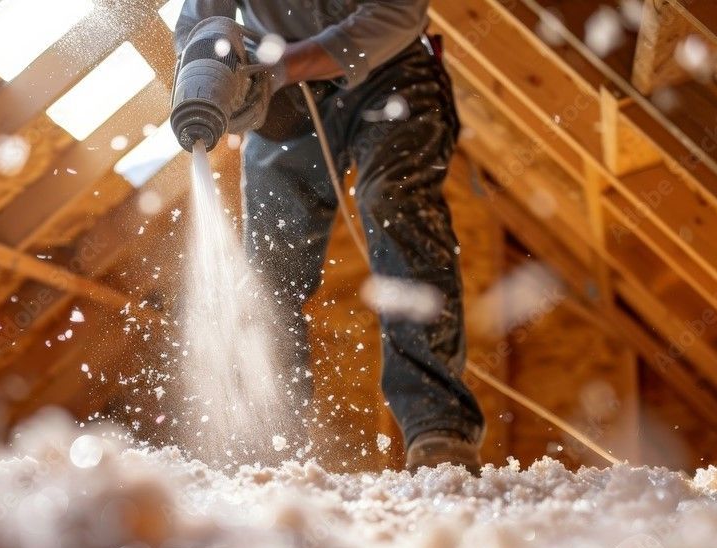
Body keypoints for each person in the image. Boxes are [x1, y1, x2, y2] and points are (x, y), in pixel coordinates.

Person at [174, 0, 486, 473]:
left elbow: (397, 14)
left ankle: (437, 428)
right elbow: (200, 23)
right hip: (278, 95)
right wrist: (214, 71)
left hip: (391, 69)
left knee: (397, 206)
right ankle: (272, 444)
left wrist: (285, 68)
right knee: (271, 266)